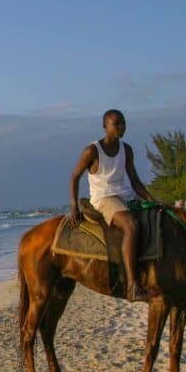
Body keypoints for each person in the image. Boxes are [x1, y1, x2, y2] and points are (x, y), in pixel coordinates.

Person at [69, 109, 157, 302]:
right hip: (103, 198)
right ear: (105, 126)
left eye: (123, 123)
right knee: (131, 226)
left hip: (123, 194)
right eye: (116, 123)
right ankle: (132, 286)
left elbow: (133, 178)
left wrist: (151, 198)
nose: (121, 127)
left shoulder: (126, 149)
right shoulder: (92, 151)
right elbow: (75, 176)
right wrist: (74, 206)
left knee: (155, 216)